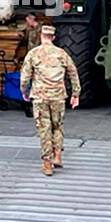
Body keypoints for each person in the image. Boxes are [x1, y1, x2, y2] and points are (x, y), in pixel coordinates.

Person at [19, 24, 80, 176]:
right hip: (58, 96)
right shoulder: (62, 54)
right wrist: (75, 94)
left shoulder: (33, 53)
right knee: (57, 126)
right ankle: (58, 155)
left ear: (41, 36)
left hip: (40, 97)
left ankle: (47, 163)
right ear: (53, 37)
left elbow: (25, 76)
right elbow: (73, 72)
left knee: (44, 129)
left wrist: (24, 91)